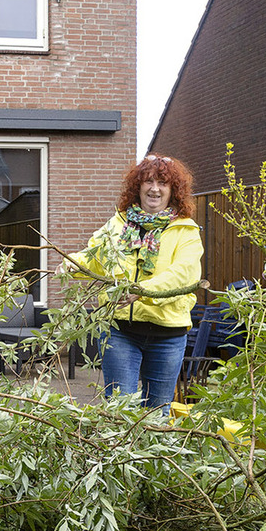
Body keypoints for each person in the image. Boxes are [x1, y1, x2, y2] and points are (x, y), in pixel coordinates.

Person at [66, 155, 203, 410]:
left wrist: (140, 292)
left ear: (173, 190)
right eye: (148, 181)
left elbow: (183, 274)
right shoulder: (118, 224)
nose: (154, 188)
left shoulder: (186, 231)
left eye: (162, 182)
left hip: (168, 335)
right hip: (120, 331)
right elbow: (95, 257)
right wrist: (70, 265)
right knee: (119, 411)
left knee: (156, 413)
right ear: (137, 186)